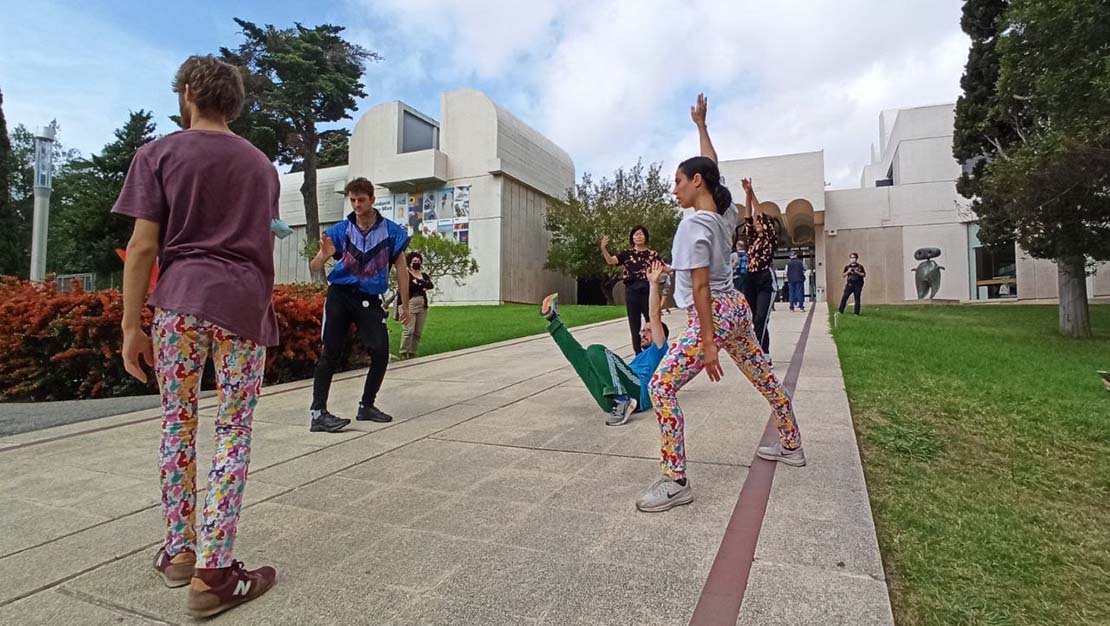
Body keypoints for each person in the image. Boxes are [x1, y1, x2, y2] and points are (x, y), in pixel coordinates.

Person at [115, 55, 278, 617]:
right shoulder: (261, 166)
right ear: (234, 102)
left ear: (187, 92)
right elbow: (263, 241)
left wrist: (131, 324)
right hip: (242, 306)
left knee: (177, 424)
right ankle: (214, 572)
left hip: (179, 303)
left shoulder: (157, 154)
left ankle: (180, 552)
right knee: (233, 430)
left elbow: (143, 246)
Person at [637, 93, 804, 513]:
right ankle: (791, 443)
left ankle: (675, 481)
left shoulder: (693, 227)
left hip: (711, 313)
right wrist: (701, 126)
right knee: (764, 376)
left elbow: (699, 289)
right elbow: (712, 164)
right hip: (736, 307)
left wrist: (708, 343)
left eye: (678, 181)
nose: (674, 189)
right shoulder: (725, 213)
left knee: (660, 386)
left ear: (696, 182)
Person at [308, 177, 411, 432]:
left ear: (372, 200)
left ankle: (367, 406)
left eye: (361, 200)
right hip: (340, 295)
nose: (356, 205)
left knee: (380, 350)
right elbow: (315, 266)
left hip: (369, 299)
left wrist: (405, 304)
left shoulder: (392, 232)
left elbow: (402, 269)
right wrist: (324, 255)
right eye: (352, 200)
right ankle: (318, 414)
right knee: (330, 352)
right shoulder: (340, 230)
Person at [539, 260, 671, 426]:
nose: (643, 333)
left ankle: (622, 399)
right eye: (642, 330)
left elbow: (654, 315)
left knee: (595, 350)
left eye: (648, 330)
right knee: (581, 359)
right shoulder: (640, 357)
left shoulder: (660, 350)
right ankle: (553, 319)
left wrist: (653, 284)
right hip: (610, 403)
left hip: (638, 392)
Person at [601, 226, 660, 354]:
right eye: (636, 234)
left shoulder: (652, 255)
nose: (639, 236)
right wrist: (603, 248)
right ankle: (638, 354)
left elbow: (664, 267)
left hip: (648, 291)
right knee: (634, 326)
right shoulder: (626, 254)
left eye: (641, 234)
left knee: (653, 322)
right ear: (632, 238)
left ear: (646, 237)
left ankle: (654, 351)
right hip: (632, 291)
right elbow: (610, 261)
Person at [738, 178, 778, 354]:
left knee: (762, 318)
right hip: (750, 278)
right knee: (754, 319)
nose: (757, 222)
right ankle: (764, 352)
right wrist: (746, 195)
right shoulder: (753, 239)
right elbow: (748, 216)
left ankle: (760, 354)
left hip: (764, 278)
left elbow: (759, 212)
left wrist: (752, 192)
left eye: (760, 221)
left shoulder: (770, 238)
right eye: (756, 222)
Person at [399, 251, 433, 359]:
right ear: (410, 262)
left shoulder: (424, 275)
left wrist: (419, 282)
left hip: (422, 304)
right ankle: (404, 351)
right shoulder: (407, 274)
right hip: (410, 303)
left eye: (418, 261)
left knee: (418, 331)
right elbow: (409, 287)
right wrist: (421, 285)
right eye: (415, 261)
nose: (417, 263)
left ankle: (412, 352)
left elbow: (430, 285)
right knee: (409, 330)